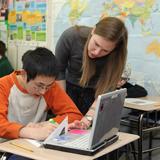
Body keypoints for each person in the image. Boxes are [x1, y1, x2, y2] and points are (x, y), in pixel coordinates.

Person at [55, 17, 128, 129]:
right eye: (96, 44)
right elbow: (58, 71)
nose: (97, 52)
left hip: (96, 96)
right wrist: (65, 108)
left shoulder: (117, 56)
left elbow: (106, 89)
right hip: (67, 90)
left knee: (89, 134)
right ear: (93, 30)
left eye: (105, 50)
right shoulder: (71, 36)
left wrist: (88, 118)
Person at [0, 47, 82, 142]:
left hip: (34, 145)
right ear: (24, 74)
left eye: (48, 86)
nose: (43, 92)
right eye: (39, 86)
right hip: (5, 147)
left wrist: (47, 124)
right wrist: (29, 131)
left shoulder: (49, 85)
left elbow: (74, 114)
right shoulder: (3, 86)